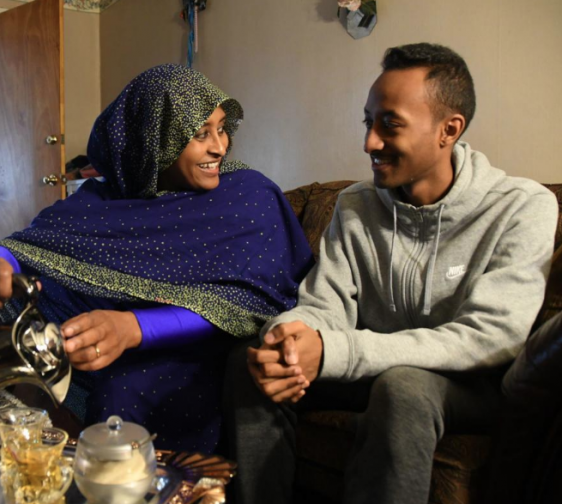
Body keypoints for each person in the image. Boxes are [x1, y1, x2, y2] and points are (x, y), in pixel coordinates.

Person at [226, 43, 559, 503]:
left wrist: (336, 352)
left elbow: (491, 336)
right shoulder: (356, 205)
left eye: (390, 125)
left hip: (466, 386)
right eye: (368, 122)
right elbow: (325, 305)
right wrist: (288, 337)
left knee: (403, 387)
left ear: (449, 129)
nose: (369, 142)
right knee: (254, 358)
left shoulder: (523, 207)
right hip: (369, 370)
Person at [0, 63, 314, 452]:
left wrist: (132, 327)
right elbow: (26, 246)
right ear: (154, 140)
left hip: (202, 352)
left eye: (222, 128)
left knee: (122, 393)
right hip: (97, 343)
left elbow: (253, 299)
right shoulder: (101, 198)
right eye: (200, 134)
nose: (220, 146)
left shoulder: (248, 195)